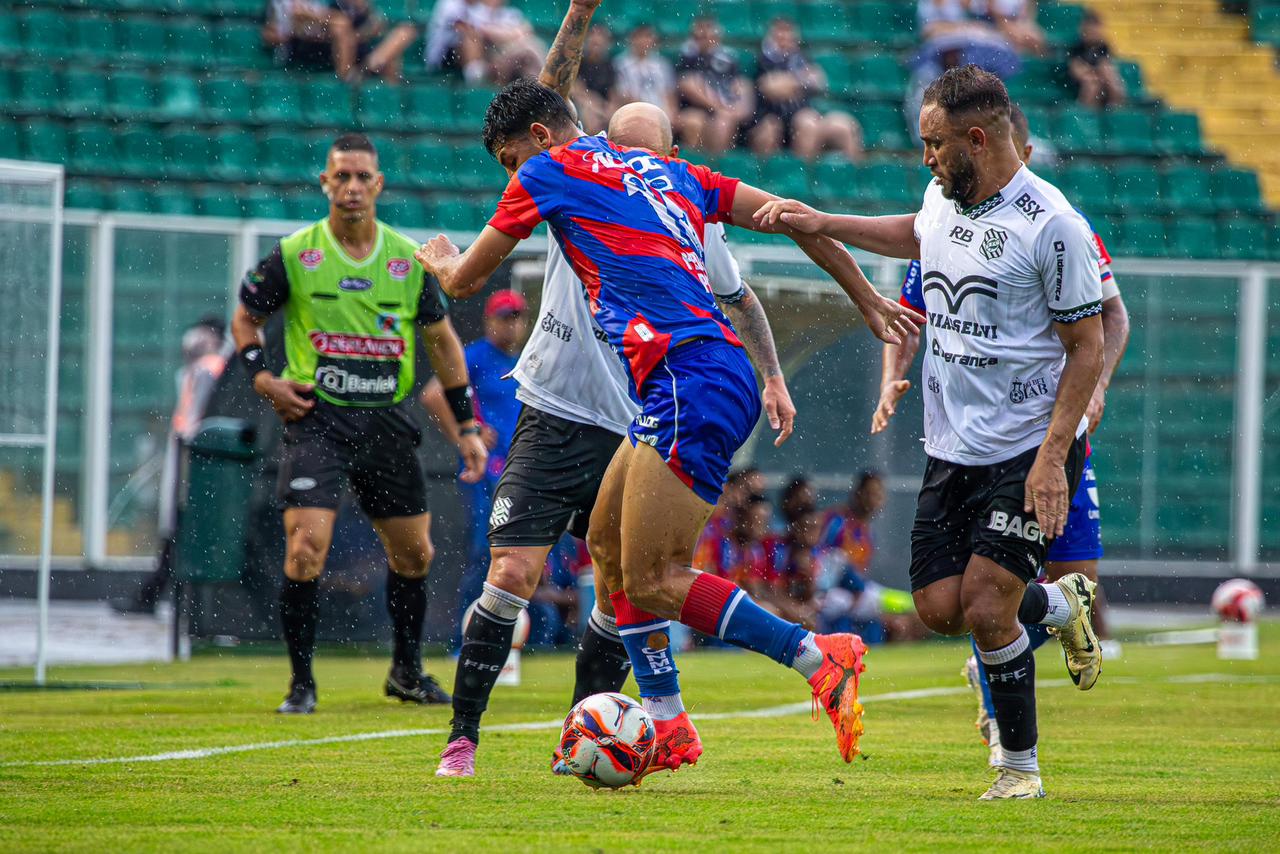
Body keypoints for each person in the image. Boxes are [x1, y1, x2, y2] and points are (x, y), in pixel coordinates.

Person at [416, 75, 924, 771]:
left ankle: (817, 657)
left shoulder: (547, 169)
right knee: (607, 545)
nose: (512, 173)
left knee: (656, 577)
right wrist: (864, 294)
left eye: (508, 159)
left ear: (536, 138)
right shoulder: (674, 174)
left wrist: (439, 258)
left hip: (689, 379)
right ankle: (668, 719)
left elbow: (466, 280)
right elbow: (791, 214)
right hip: (689, 380)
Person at [430, 0, 804, 780]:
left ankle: (591, 734)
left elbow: (743, 298)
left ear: (663, 151)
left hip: (636, 414)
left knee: (622, 587)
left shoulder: (674, 197)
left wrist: (773, 374)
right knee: (512, 576)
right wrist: (577, 14)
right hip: (554, 405)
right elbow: (549, 88)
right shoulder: (567, 168)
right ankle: (462, 736)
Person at [755, 65, 1106, 799]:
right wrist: (822, 222)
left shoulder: (1054, 226)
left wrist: (1052, 460)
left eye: (934, 143)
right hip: (952, 450)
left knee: (984, 607)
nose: (926, 157)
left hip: (1026, 448)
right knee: (938, 608)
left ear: (977, 139)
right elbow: (913, 236)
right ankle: (1056, 605)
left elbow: (1089, 345)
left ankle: (1019, 768)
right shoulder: (943, 197)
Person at [874, 102, 1129, 767]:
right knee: (975, 604)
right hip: (968, 445)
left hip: (1047, 434)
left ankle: (1009, 719)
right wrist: (893, 376)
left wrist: (1094, 390)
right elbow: (909, 308)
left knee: (1071, 583)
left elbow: (1109, 320)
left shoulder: (1057, 224)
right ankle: (1001, 674)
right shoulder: (948, 219)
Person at [231, 132, 488, 715]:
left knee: (415, 555)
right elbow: (245, 320)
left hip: (386, 424)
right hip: (317, 422)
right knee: (305, 550)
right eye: (340, 176)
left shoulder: (404, 257)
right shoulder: (296, 253)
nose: (351, 187)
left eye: (361, 177)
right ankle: (301, 684)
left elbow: (443, 343)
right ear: (325, 182)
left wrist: (467, 426)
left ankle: (405, 671)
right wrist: (264, 379)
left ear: (379, 185)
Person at [420, 289, 529, 632]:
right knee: (485, 552)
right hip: (487, 472)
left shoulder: (523, 361)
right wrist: (468, 435)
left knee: (519, 555)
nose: (511, 326)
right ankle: (465, 638)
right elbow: (433, 394)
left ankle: (514, 637)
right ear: (488, 321)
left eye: (517, 318)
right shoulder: (477, 356)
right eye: (504, 318)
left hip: (519, 470)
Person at [112, 317, 232, 615]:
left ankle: (169, 598)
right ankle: (166, 597)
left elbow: (197, 416)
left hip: (197, 458)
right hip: (188, 456)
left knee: (184, 529)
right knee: (178, 531)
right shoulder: (196, 371)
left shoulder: (211, 369)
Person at [750, 18, 863, 162]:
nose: (785, 39)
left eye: (789, 35)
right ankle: (802, 175)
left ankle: (853, 177)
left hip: (808, 116)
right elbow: (770, 87)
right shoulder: (765, 60)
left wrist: (789, 82)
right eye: (780, 35)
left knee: (846, 126)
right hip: (776, 120)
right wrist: (801, 80)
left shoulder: (801, 58)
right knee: (806, 122)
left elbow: (819, 81)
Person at [674, 17, 755, 155]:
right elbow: (687, 84)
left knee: (724, 121)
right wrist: (717, 106)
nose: (704, 38)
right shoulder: (688, 57)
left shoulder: (728, 58)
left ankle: (717, 165)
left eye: (708, 34)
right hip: (695, 109)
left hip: (724, 108)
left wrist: (738, 108)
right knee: (695, 121)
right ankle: (696, 166)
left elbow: (740, 84)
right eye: (700, 35)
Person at [330, 0, 420, 84]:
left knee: (404, 32)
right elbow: (342, 34)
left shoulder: (365, 10)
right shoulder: (334, 7)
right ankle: (351, 78)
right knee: (343, 34)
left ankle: (367, 72)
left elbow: (378, 27)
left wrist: (364, 31)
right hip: (346, 57)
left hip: (368, 55)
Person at [613, 24, 678, 119]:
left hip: (661, 111)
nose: (643, 41)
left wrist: (670, 113)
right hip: (633, 111)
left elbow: (669, 94)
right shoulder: (620, 64)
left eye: (647, 36)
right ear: (632, 39)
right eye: (639, 37)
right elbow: (622, 95)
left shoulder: (662, 64)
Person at [1067, 10, 1126, 108]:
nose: (1092, 33)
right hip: (1079, 84)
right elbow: (1077, 70)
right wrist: (1093, 74)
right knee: (1092, 85)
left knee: (1112, 81)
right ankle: (1087, 118)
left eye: (1095, 30)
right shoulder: (1077, 47)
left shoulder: (1103, 47)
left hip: (1100, 80)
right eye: (1089, 30)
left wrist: (1104, 76)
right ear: (1083, 30)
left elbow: (1106, 66)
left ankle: (1114, 115)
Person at [572, 24, 619, 134]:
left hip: (603, 105)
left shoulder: (609, 65)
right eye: (593, 41)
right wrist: (596, 106)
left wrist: (610, 110)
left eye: (599, 42)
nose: (596, 42)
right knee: (592, 119)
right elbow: (577, 91)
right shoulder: (579, 62)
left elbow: (614, 94)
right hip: (584, 104)